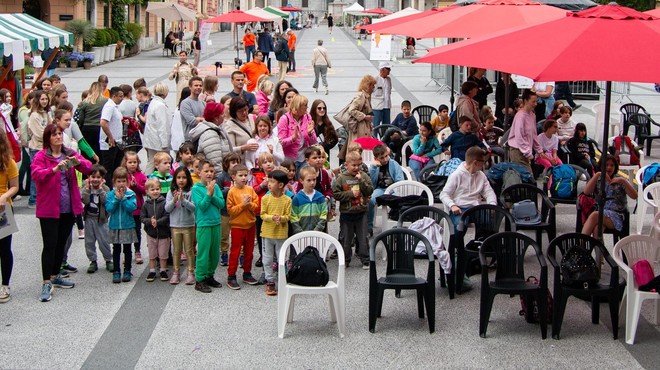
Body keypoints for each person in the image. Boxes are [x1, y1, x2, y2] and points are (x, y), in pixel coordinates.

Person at [32, 124, 92, 302]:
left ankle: (54, 275)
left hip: (68, 207)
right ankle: (45, 282)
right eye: (54, 134)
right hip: (49, 209)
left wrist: (78, 162)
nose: (58, 137)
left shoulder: (69, 153)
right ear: (48, 138)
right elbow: (37, 174)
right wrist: (54, 169)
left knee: (61, 243)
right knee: (49, 245)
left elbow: (88, 168)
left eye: (60, 134)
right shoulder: (41, 156)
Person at [332, 151, 374, 269]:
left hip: (361, 212)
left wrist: (361, 181)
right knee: (346, 238)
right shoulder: (341, 178)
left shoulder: (364, 176)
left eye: (359, 164)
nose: (357, 167)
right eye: (354, 165)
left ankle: (365, 259)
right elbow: (336, 194)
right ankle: (345, 259)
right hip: (347, 213)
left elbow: (370, 191)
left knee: (363, 237)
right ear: (346, 164)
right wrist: (350, 194)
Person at [581, 154, 637, 237]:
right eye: (606, 165)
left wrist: (623, 181)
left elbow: (634, 196)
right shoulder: (598, 179)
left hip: (616, 215)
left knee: (595, 215)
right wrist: (597, 175)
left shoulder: (619, 180)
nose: (609, 167)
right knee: (597, 229)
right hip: (601, 213)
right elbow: (586, 192)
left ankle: (581, 245)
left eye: (612, 165)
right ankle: (600, 250)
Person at [192, 159, 224, 293]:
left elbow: (221, 204)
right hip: (204, 225)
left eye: (211, 171)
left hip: (216, 223)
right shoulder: (196, 189)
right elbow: (202, 206)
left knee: (214, 253)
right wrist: (209, 195)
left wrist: (212, 194)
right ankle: (200, 279)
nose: (209, 174)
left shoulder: (215, 187)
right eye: (206, 171)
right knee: (203, 253)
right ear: (199, 172)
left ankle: (210, 275)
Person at [226, 164, 259, 290]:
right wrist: (243, 205)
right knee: (235, 251)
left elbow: (256, 207)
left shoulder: (250, 189)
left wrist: (249, 204)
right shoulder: (232, 192)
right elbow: (231, 211)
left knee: (249, 252)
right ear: (234, 177)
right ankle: (231, 275)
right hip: (237, 226)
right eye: (241, 175)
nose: (244, 178)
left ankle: (247, 273)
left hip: (250, 225)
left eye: (245, 175)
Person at [259, 169, 292, 296]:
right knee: (267, 259)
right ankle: (270, 281)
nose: (269, 184)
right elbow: (262, 215)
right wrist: (272, 217)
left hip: (281, 234)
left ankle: (283, 279)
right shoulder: (266, 199)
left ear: (280, 185)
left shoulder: (287, 200)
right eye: (269, 181)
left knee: (282, 257)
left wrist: (281, 219)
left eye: (272, 181)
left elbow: (288, 216)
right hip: (267, 234)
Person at [106, 167, 138, 284]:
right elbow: (109, 209)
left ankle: (127, 270)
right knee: (116, 249)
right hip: (115, 226)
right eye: (119, 181)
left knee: (127, 249)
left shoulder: (130, 194)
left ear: (127, 181)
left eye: (123, 181)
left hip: (127, 225)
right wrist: (116, 199)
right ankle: (116, 271)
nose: (121, 184)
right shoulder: (110, 194)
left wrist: (123, 199)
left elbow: (132, 208)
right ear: (114, 181)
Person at [166, 166, 196, 285]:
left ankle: (190, 272)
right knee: (177, 250)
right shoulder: (170, 192)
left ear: (188, 178)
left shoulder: (191, 191)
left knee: (189, 250)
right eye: (178, 177)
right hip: (175, 226)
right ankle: (176, 272)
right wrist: (174, 200)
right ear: (175, 179)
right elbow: (167, 209)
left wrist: (183, 200)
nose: (181, 180)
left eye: (184, 177)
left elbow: (193, 208)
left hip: (188, 225)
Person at [81, 164, 113, 274]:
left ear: (102, 179)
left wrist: (100, 190)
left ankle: (108, 259)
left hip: (101, 220)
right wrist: (86, 189)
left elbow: (106, 201)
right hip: (89, 218)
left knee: (104, 241)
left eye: (98, 177)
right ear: (88, 177)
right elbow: (84, 200)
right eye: (93, 177)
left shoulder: (105, 189)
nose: (95, 179)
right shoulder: (86, 188)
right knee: (89, 241)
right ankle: (93, 261)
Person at [367, 144, 404, 234]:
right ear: (376, 158)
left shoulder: (394, 164)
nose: (385, 159)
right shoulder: (374, 166)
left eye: (386, 156)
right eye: (382, 158)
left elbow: (400, 180)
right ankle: (369, 227)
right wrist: (373, 168)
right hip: (380, 189)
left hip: (394, 189)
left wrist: (392, 190)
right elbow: (371, 183)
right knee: (371, 200)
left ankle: (396, 224)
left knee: (397, 200)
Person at [0, 129, 18, 303]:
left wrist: (4, 196)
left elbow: (14, 186)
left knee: (4, 249)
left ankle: (5, 284)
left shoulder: (8, 162)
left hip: (3, 210)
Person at [339, 75, 375, 162]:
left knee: (362, 147)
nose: (374, 88)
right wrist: (364, 117)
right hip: (359, 127)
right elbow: (352, 110)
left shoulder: (367, 96)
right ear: (368, 85)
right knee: (358, 147)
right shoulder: (360, 96)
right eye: (372, 85)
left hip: (364, 126)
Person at [141, 178, 171, 282]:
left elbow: (167, 216)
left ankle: (163, 270)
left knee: (163, 254)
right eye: (152, 189)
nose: (155, 191)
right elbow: (142, 218)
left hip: (163, 233)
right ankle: (152, 270)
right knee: (152, 253)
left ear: (161, 189)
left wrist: (158, 222)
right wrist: (150, 221)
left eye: (157, 189)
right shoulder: (146, 204)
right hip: (151, 233)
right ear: (147, 192)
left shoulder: (164, 202)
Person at [507, 89, 543, 175]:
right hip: (518, 150)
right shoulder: (520, 116)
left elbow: (534, 134)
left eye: (536, 101)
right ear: (526, 101)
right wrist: (527, 152)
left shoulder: (532, 115)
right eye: (533, 102)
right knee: (527, 176)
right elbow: (519, 136)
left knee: (527, 177)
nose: (535, 104)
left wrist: (539, 149)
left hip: (525, 150)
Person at [277, 95, 316, 171]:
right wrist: (292, 138)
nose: (307, 107)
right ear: (298, 106)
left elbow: (314, 142)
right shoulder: (284, 119)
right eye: (305, 105)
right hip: (289, 160)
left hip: (304, 158)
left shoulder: (307, 117)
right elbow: (280, 143)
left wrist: (310, 134)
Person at [27, 90, 52, 208]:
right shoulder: (34, 115)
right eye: (42, 99)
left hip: (45, 147)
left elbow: (51, 127)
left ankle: (41, 197)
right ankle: (33, 199)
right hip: (36, 148)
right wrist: (49, 135)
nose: (44, 101)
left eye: (46, 99)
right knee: (36, 174)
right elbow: (39, 134)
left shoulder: (46, 114)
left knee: (45, 174)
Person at [122, 151, 146, 265]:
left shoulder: (141, 175)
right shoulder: (122, 175)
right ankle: (126, 252)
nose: (132, 164)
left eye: (134, 162)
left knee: (137, 231)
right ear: (125, 163)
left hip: (137, 208)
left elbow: (145, 191)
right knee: (126, 231)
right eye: (130, 162)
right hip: (126, 208)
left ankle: (137, 251)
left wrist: (136, 186)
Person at [217, 153, 240, 267]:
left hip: (237, 211)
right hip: (224, 211)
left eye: (237, 162)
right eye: (233, 162)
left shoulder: (240, 176)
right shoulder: (221, 177)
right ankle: (224, 253)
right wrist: (229, 190)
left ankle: (240, 255)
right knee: (224, 234)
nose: (235, 164)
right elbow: (218, 193)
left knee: (238, 234)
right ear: (226, 164)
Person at [99, 87, 125, 186]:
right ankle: (108, 187)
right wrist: (110, 137)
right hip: (110, 143)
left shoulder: (115, 107)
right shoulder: (109, 106)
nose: (122, 98)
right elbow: (103, 122)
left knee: (116, 166)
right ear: (113, 96)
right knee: (108, 168)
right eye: (120, 96)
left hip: (117, 142)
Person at [143, 83, 171, 174]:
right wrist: (165, 143)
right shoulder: (161, 106)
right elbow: (162, 125)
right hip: (158, 141)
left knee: (151, 162)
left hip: (151, 139)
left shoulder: (153, 102)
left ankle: (146, 180)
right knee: (163, 162)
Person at [180, 76, 205, 141]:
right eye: (196, 85)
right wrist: (204, 120)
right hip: (191, 140)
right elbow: (192, 121)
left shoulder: (203, 103)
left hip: (202, 138)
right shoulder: (185, 103)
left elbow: (209, 119)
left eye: (200, 85)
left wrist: (200, 119)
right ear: (190, 87)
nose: (198, 87)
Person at [372, 62, 392, 127]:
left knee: (386, 126)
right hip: (377, 107)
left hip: (387, 106)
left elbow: (389, 91)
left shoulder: (389, 79)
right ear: (382, 69)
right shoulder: (375, 80)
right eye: (388, 69)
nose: (389, 70)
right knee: (375, 125)